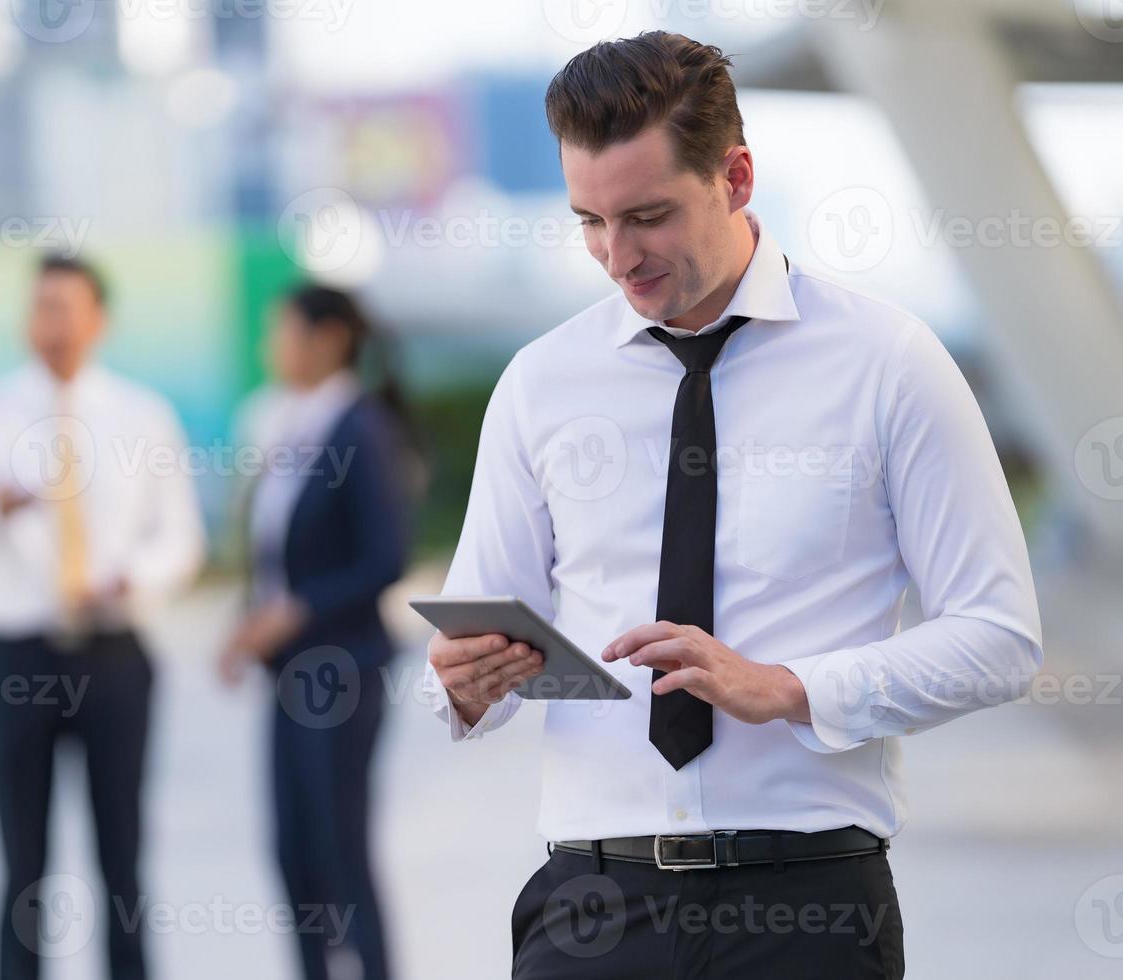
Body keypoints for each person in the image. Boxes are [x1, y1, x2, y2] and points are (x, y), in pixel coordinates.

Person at [422, 32, 1043, 979]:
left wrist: (788, 687)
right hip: (591, 912)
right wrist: (464, 686)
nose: (617, 258)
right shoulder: (540, 383)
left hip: (806, 909)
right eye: (590, 220)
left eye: (648, 215)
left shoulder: (889, 364)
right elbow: (483, 639)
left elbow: (1000, 638)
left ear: (737, 175)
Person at [0, 255, 205, 980]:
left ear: (99, 321)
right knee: (23, 861)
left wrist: (130, 578)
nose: (52, 323)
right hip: (18, 654)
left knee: (124, 855)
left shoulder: (142, 416)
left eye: (66, 307)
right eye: (41, 307)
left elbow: (179, 540)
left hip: (114, 653)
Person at [219, 285, 415, 980]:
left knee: (340, 846)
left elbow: (384, 558)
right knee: (293, 850)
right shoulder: (289, 425)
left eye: (282, 329)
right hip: (288, 673)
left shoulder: (360, 429)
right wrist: (248, 623)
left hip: (341, 670)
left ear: (328, 338)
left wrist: (294, 611)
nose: (271, 345)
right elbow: (275, 553)